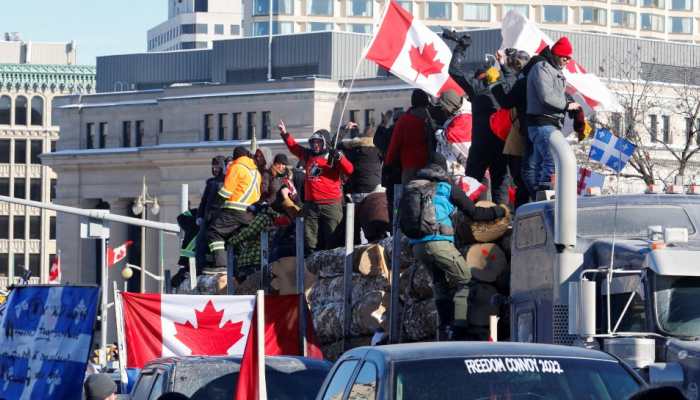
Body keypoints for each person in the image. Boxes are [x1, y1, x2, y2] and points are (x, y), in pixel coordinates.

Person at [407, 153, 506, 340]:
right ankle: (459, 328)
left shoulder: (413, 187)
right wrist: (499, 210)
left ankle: (445, 327)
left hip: (418, 247)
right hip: (438, 242)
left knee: (440, 283)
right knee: (465, 279)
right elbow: (474, 213)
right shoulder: (446, 187)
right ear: (442, 169)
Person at [447, 33, 508, 204]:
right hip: (502, 145)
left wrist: (461, 48)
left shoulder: (477, 88)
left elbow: (455, 71)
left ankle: (468, 220)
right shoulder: (506, 87)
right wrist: (505, 66)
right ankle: (502, 221)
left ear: (479, 76)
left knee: (471, 186)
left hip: (481, 144)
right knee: (500, 188)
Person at [278, 120, 354, 253]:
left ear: (324, 143)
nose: (315, 145)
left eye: (318, 142)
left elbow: (350, 170)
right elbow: (294, 147)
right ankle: (311, 262)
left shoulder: (332, 156)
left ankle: (333, 263)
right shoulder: (308, 155)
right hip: (311, 205)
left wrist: (340, 158)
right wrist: (285, 134)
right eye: (313, 142)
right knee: (309, 238)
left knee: (333, 236)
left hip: (331, 204)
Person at [525, 36, 581, 193]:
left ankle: (537, 194)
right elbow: (546, 96)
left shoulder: (551, 70)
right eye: (565, 56)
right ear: (556, 54)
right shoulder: (542, 68)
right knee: (553, 159)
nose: (567, 60)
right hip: (543, 123)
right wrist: (567, 105)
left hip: (546, 123)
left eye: (569, 58)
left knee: (540, 162)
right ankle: (545, 191)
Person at [206, 146, 261, 274]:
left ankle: (221, 265)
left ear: (236, 157)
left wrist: (216, 204)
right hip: (250, 213)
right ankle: (240, 268)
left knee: (214, 231)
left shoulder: (236, 167)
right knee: (237, 239)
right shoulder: (255, 172)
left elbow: (226, 192)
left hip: (234, 210)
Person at [490, 49, 534, 206]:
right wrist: (502, 64)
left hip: (518, 137)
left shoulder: (522, 82)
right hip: (527, 136)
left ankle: (522, 211)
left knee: (521, 180)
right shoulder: (535, 80)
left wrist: (494, 84)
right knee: (526, 179)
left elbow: (507, 100)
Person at [341, 123, 389, 243]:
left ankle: (355, 248)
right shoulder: (379, 150)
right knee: (376, 225)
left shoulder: (352, 150)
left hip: (356, 192)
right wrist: (383, 125)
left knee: (354, 227)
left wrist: (343, 131)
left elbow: (334, 145)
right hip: (376, 191)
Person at [385, 89, 433, 184]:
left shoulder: (404, 120)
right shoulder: (431, 118)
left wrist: (388, 163)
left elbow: (395, 144)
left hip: (410, 165)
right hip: (431, 164)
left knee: (410, 194)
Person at [195, 156, 226, 272]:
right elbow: (204, 201)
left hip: (218, 218)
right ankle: (201, 268)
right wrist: (199, 216)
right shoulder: (211, 183)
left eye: (217, 166)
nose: (214, 169)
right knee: (201, 243)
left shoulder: (225, 181)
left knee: (213, 243)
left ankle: (217, 264)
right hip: (207, 218)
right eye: (213, 166)